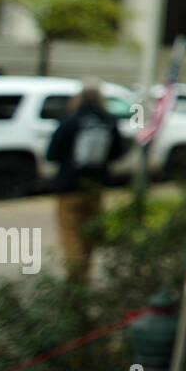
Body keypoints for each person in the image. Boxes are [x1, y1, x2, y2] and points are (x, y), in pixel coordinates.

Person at [46, 80, 123, 280]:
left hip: (69, 187)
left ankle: (75, 281)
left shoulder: (70, 120)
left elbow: (52, 153)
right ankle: (85, 275)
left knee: (71, 235)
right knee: (90, 235)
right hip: (96, 187)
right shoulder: (108, 121)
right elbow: (117, 152)